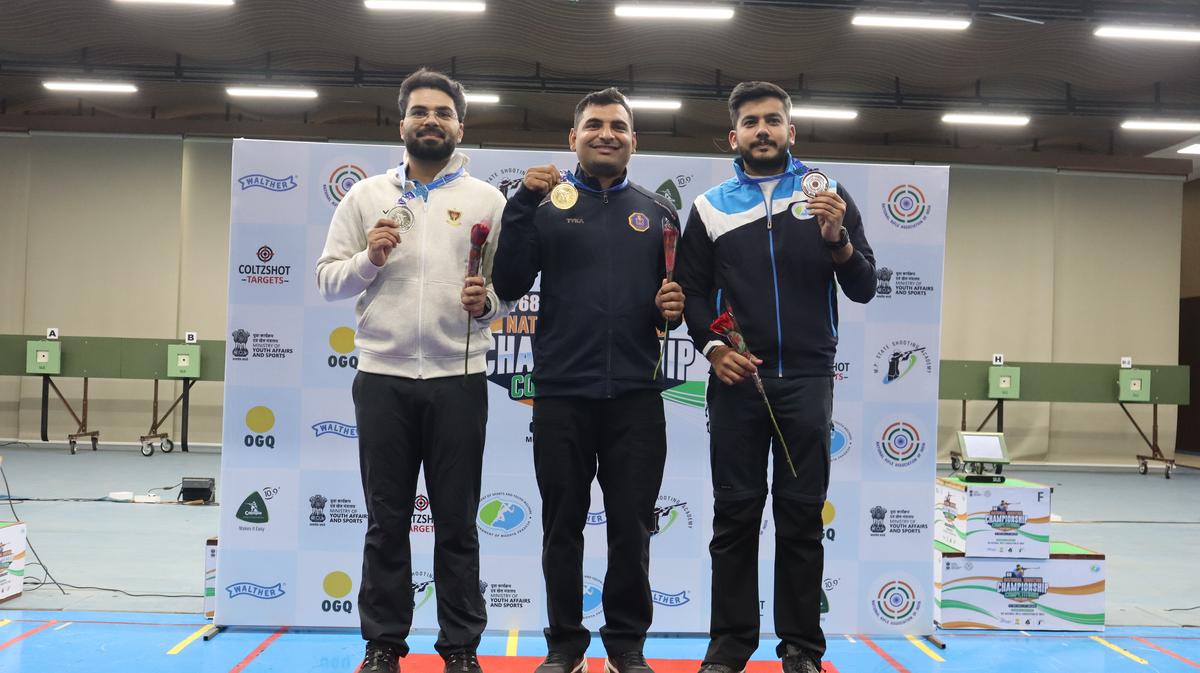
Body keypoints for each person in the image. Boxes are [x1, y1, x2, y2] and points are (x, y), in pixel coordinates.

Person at [674, 81, 877, 673]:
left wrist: (836, 238)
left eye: (773, 120)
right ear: (732, 136)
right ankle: (729, 649)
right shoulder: (710, 207)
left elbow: (863, 285)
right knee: (734, 519)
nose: (762, 130)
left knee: (800, 518)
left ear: (791, 131)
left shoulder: (828, 196)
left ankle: (801, 649)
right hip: (738, 382)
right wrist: (712, 347)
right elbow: (688, 291)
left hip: (807, 381)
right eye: (751, 122)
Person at [315, 68, 509, 673]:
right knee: (386, 521)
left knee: (457, 522)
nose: (432, 120)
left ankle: (459, 649)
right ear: (402, 124)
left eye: (443, 112)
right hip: (383, 379)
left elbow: (504, 291)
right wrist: (369, 260)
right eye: (420, 111)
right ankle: (383, 645)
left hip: (459, 376)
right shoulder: (366, 196)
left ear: (459, 125)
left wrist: (491, 303)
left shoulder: (487, 200)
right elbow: (327, 281)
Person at [491, 87, 684, 673]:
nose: (607, 134)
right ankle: (564, 646)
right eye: (594, 125)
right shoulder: (545, 204)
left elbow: (667, 307)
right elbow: (509, 280)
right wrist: (522, 202)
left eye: (618, 127)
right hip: (560, 395)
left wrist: (668, 310)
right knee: (561, 528)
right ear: (571, 138)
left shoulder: (658, 213)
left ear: (634, 141)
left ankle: (626, 645)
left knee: (632, 529)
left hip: (636, 399)